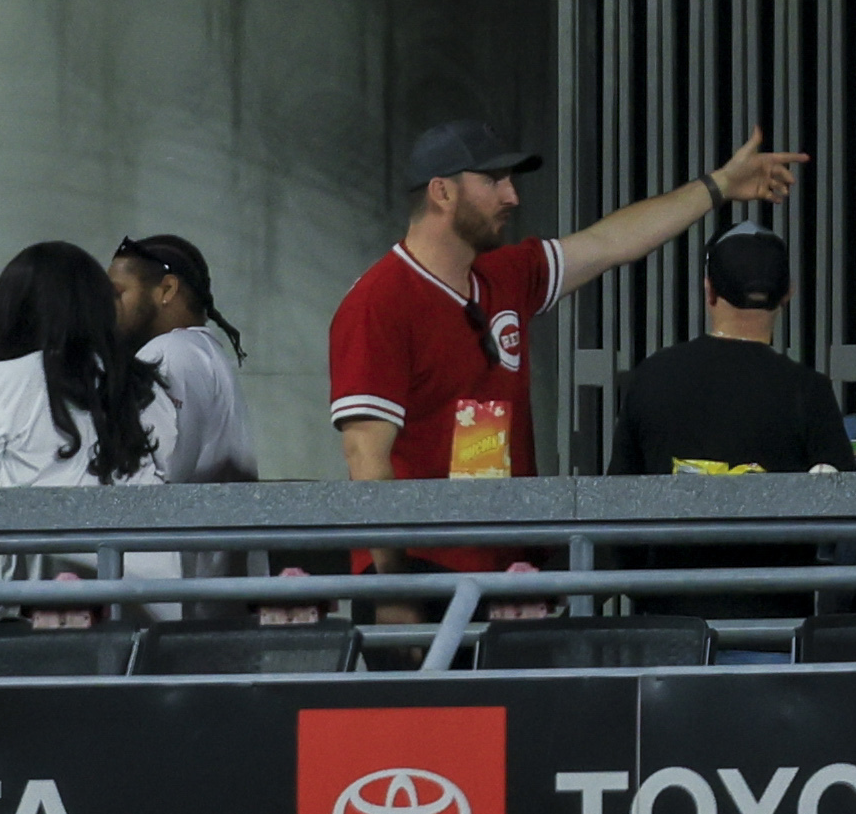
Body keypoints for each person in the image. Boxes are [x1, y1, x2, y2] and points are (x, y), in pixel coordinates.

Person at [331, 120, 804, 571]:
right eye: (494, 180)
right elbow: (366, 459)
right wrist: (394, 596)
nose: (512, 195)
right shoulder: (380, 301)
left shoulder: (506, 274)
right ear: (442, 191)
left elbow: (611, 242)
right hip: (424, 573)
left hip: (510, 573)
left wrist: (719, 184)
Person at [0, 242, 163, 592]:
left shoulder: (2, 383)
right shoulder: (147, 383)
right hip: (149, 587)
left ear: (12, 309)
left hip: (43, 601)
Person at [607, 226, 844, 480]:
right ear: (787, 293)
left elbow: (616, 497)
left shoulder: (650, 378)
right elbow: (843, 501)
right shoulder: (809, 391)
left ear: (709, 290)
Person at [110, 231, 260, 483]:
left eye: (118, 293)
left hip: (179, 520)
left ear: (167, 289)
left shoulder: (166, 353)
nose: (109, 306)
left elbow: (152, 479)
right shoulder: (202, 351)